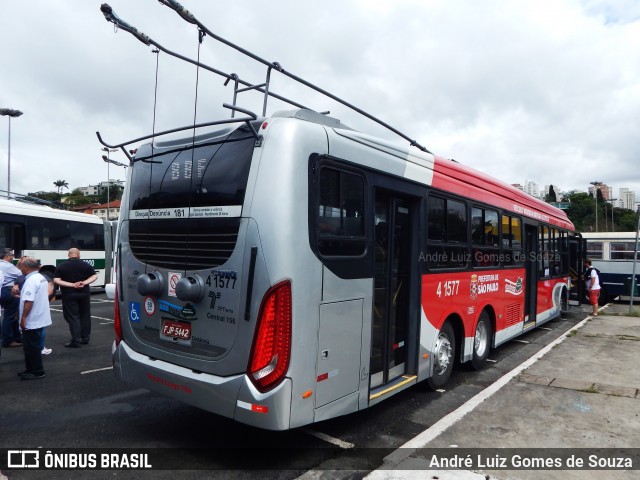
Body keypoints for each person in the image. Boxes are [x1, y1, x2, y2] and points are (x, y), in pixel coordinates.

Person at [53, 248, 97, 348]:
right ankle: (85, 338)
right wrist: (84, 283)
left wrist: (72, 285)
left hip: (69, 294)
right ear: (79, 255)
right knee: (85, 315)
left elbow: (56, 280)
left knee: (73, 317)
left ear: (68, 255)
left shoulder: (61, 266)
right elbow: (94, 276)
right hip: (84, 293)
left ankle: (76, 340)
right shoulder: (86, 265)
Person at [17, 257, 52, 380]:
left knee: (31, 347)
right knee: (32, 346)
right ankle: (30, 369)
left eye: (21, 267)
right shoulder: (40, 277)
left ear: (26, 268)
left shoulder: (31, 280)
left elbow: (29, 301)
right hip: (39, 317)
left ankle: (37, 371)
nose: (20, 269)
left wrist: (23, 318)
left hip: (32, 319)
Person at [0, 248, 24, 348]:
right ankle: (7, 340)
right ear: (7, 256)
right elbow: (22, 274)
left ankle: (16, 336)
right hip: (10, 290)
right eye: (12, 256)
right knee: (10, 316)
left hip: (3, 290)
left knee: (12, 315)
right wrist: (22, 265)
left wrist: (18, 265)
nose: (13, 257)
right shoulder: (8, 266)